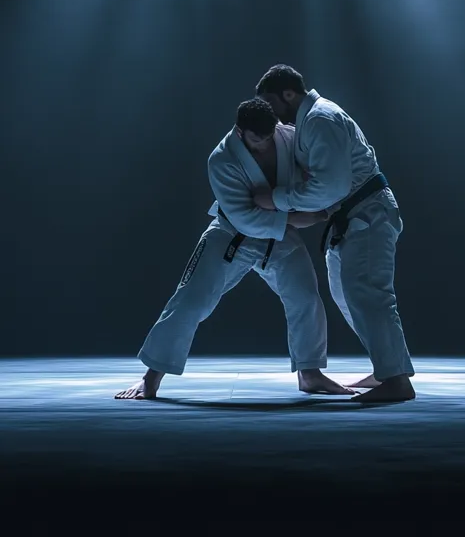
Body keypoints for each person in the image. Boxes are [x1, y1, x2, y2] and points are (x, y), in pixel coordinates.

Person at [116, 98, 353, 400]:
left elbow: (311, 176)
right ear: (240, 132)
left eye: (270, 137)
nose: (266, 144)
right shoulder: (221, 159)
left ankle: (311, 374)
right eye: (257, 140)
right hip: (231, 233)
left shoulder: (288, 136)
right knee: (191, 299)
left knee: (306, 296)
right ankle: (151, 379)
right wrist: (306, 217)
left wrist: (309, 207)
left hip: (282, 234)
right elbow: (247, 218)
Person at [253, 65, 415, 404]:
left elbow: (331, 186)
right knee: (347, 294)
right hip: (351, 217)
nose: (269, 112)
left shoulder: (321, 119)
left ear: (288, 94)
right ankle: (387, 366)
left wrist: (278, 200)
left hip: (367, 212)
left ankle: (398, 381)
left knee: (370, 295)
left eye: (270, 101)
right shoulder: (307, 123)